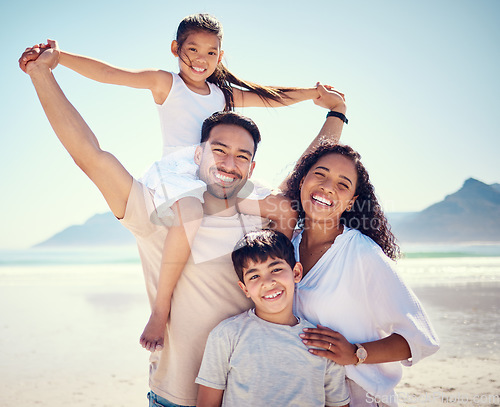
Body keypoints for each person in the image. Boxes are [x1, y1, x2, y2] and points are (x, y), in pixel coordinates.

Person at [19, 43, 347, 406]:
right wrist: (41, 74)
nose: (229, 163)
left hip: (249, 396)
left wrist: (337, 113)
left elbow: (311, 169)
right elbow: (91, 156)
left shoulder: (262, 211)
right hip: (175, 395)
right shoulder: (163, 210)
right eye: (218, 150)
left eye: (242, 156)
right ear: (198, 154)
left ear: (252, 168)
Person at [281, 142, 440, 406]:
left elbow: (421, 338)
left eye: (343, 184)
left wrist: (357, 353)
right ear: (302, 181)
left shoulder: (362, 254)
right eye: (320, 174)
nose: (328, 187)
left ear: (351, 202)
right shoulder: (286, 248)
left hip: (360, 398)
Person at [195, 229, 350, 407]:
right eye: (254, 276)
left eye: (276, 269)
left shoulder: (321, 343)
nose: (267, 282)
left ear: (296, 272)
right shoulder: (227, 336)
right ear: (244, 288)